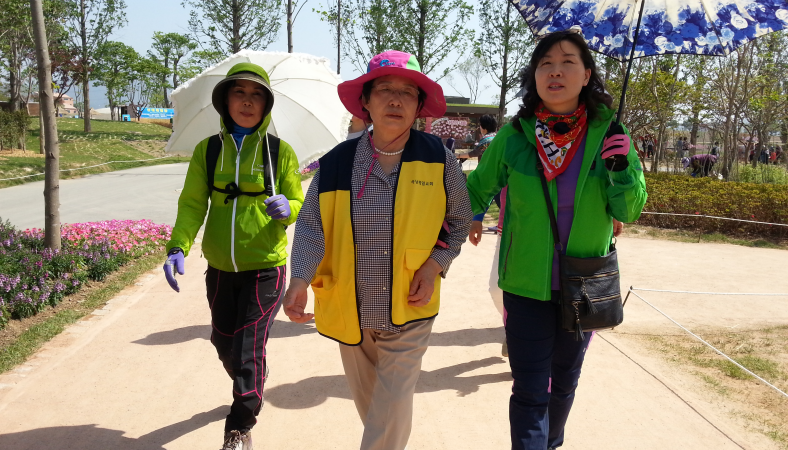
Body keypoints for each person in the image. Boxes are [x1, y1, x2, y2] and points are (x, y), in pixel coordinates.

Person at [465, 31, 647, 449]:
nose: (555, 71)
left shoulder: (610, 134)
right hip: (525, 285)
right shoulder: (515, 135)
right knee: (530, 391)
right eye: (545, 63)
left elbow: (628, 211)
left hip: (585, 284)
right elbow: (476, 189)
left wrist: (622, 169)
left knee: (564, 384)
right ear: (534, 76)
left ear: (586, 75)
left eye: (567, 62)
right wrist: (458, 219)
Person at [282, 50, 471, 450]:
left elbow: (459, 221)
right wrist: (299, 279)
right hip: (350, 306)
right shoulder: (336, 163)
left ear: (419, 106)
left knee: (391, 404)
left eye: (408, 92)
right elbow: (312, 227)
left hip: (410, 305)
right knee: (376, 410)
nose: (396, 100)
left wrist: (434, 265)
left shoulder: (439, 159)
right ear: (366, 101)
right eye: (385, 89)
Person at [162, 63, 305, 450]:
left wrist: (287, 208)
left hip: (266, 267)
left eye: (256, 94)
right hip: (221, 269)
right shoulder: (208, 151)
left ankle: (239, 427)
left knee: (246, 349)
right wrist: (178, 246)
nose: (247, 101)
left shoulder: (279, 152)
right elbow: (193, 205)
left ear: (266, 104)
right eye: (239, 92)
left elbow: (298, 201)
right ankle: (252, 379)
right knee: (224, 341)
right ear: (225, 101)